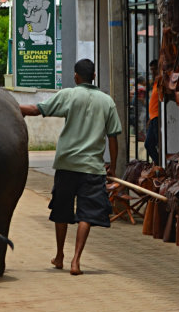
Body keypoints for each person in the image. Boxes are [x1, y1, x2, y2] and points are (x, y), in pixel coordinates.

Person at [18, 58, 121, 276]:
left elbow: (37, 109)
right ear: (93, 76)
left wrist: (12, 107)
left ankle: (59, 255)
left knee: (62, 210)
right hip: (93, 167)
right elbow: (113, 137)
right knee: (87, 214)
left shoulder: (68, 95)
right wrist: (111, 165)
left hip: (67, 164)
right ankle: (76, 260)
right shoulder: (107, 101)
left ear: (76, 76)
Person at [145, 59, 160, 165]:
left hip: (158, 118)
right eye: (151, 70)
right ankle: (158, 163)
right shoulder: (155, 83)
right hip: (153, 118)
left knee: (153, 143)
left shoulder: (160, 82)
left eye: (155, 69)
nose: (153, 72)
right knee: (149, 144)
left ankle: (160, 165)